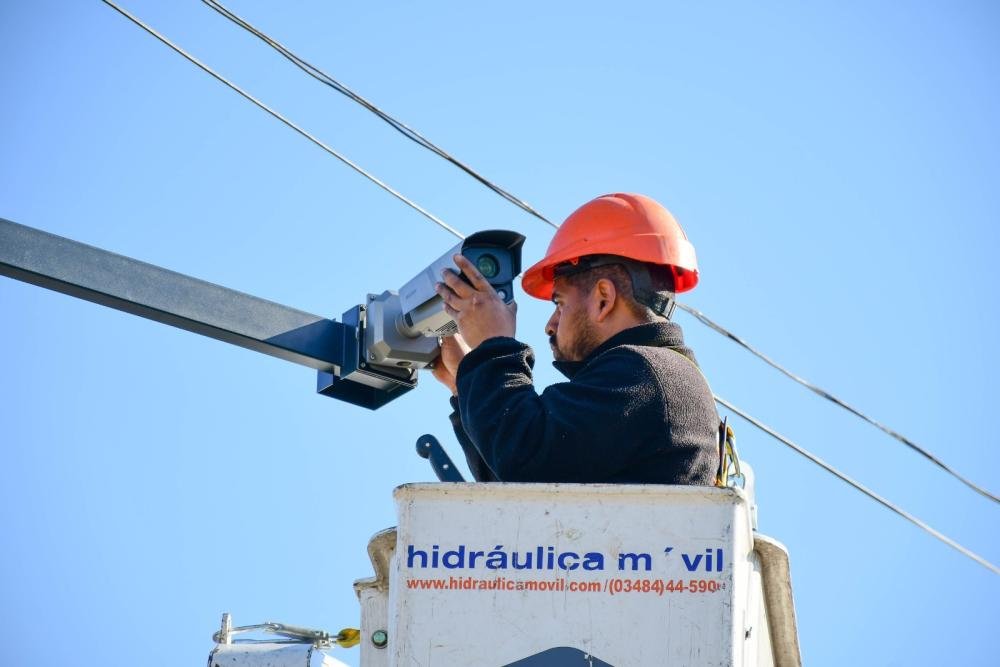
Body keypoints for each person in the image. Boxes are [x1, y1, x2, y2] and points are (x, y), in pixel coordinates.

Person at [432, 193, 719, 484]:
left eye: (559, 303)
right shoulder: (655, 380)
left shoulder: (643, 374)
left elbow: (523, 457)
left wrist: (493, 347)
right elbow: (515, 490)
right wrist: (466, 380)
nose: (550, 325)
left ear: (603, 299)